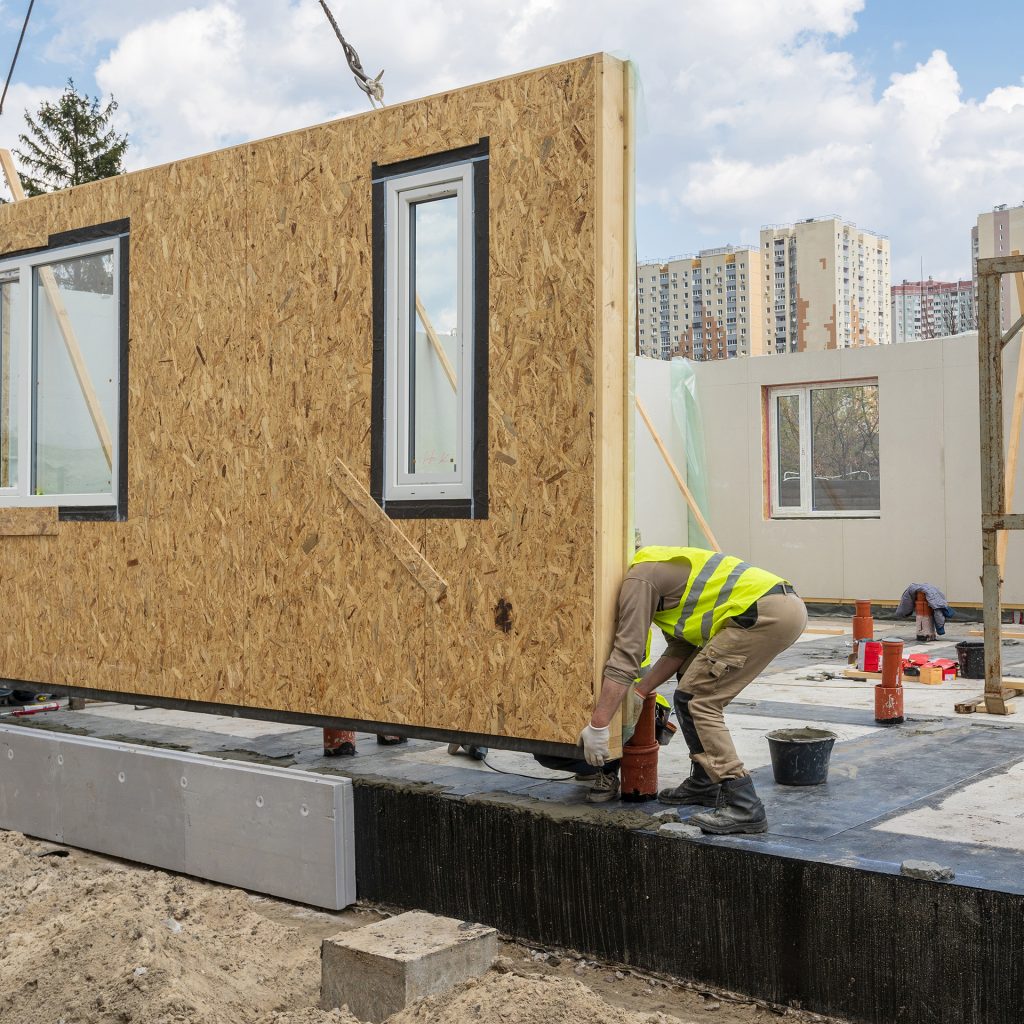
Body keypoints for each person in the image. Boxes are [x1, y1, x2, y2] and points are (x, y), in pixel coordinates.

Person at [579, 546, 807, 834]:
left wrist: (599, 725)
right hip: (777, 608)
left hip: (762, 613)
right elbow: (680, 648)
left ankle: (744, 804)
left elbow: (626, 656)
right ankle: (705, 782)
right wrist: (640, 692)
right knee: (688, 691)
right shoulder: (658, 571)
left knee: (699, 699)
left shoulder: (639, 579)